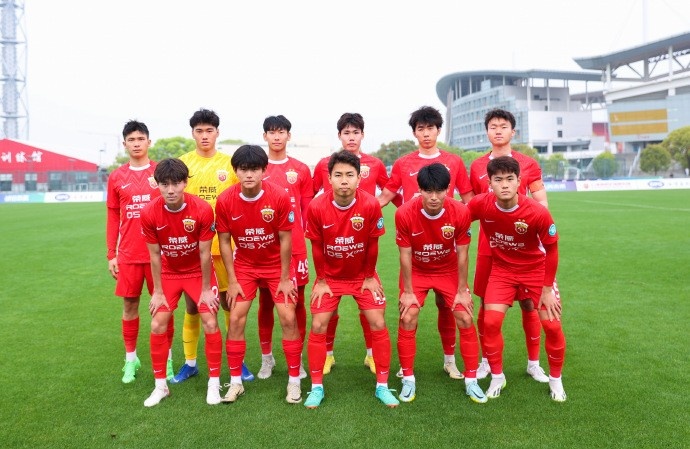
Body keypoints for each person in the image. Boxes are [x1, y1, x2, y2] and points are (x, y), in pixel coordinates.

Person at [378, 105, 473, 380]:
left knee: (449, 307)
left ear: (438, 130)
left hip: (444, 245)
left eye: (431, 128)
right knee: (408, 311)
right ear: (414, 133)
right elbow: (386, 196)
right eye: (421, 129)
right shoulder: (403, 163)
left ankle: (449, 360)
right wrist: (358, 210)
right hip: (415, 244)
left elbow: (468, 199)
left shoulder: (454, 162)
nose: (426, 133)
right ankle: (406, 366)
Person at [303, 150, 399, 409]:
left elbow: (372, 245)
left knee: (378, 321)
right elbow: (317, 248)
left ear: (359, 178)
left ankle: (382, 386)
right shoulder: (317, 207)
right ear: (329, 179)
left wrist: (368, 277)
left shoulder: (370, 204)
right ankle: (316, 387)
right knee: (318, 324)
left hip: (362, 276)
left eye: (349, 175)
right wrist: (321, 280)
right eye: (338, 175)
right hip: (330, 278)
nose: (344, 180)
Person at [467, 156, 566, 402]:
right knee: (490, 322)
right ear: (489, 183)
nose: (504, 185)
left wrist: (547, 289)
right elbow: (456, 218)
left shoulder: (537, 212)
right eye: (498, 180)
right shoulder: (481, 204)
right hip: (503, 271)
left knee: (552, 326)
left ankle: (555, 380)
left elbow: (552, 251)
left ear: (519, 181)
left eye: (510, 179)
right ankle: (497, 377)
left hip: (536, 271)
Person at [311, 113, 398, 376]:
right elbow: (312, 194)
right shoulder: (324, 164)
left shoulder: (375, 163)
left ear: (362, 135)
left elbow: (390, 190)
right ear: (339, 136)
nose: (351, 137)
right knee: (328, 308)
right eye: (346, 133)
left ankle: (372, 355)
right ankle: (327, 355)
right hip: (334, 237)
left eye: (355, 132)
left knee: (369, 306)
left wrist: (375, 207)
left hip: (362, 239)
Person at [215, 145, 303, 404]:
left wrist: (285, 278)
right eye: (243, 169)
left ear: (264, 170)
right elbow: (224, 241)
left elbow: (286, 239)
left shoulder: (279, 196)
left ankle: (294, 381)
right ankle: (235, 383)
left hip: (276, 266)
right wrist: (232, 280)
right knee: (236, 319)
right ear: (236, 171)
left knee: (288, 317)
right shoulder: (225, 200)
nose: (249, 174)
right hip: (245, 266)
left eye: (254, 169)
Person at [469, 108, 550, 383]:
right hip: (488, 246)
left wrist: (536, 233)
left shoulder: (528, 164)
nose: (498, 131)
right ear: (487, 132)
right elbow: (472, 206)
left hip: (523, 247)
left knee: (529, 304)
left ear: (513, 131)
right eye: (493, 126)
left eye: (503, 126)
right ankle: (486, 361)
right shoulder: (477, 166)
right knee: (486, 303)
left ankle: (533, 363)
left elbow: (541, 202)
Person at [395, 163, 487, 404]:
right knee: (408, 316)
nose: (434, 197)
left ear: (448, 189)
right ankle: (408, 378)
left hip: (448, 270)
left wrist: (462, 290)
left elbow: (463, 254)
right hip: (417, 270)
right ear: (420, 190)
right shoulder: (404, 213)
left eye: (439, 191)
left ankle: (470, 380)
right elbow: (405, 255)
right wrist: (407, 291)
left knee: (464, 316)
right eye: (428, 191)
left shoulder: (461, 212)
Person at [174, 108, 254, 383]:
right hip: (192, 250)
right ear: (192, 133)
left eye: (209, 130)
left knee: (230, 306)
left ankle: (237, 361)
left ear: (217, 132)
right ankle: (190, 363)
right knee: (193, 307)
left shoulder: (230, 164)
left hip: (224, 249)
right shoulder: (183, 164)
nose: (204, 135)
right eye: (199, 131)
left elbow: (240, 202)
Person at [140, 158, 223, 407]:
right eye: (164, 184)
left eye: (176, 183)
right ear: (157, 184)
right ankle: (160, 387)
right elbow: (155, 255)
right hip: (169, 273)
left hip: (198, 273)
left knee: (210, 320)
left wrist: (206, 290)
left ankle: (214, 384)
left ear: (185, 182)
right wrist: (157, 292)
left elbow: (205, 253)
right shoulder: (149, 212)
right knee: (157, 323)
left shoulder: (202, 209)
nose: (170, 190)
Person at [106, 120, 173, 383]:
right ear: (124, 144)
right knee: (130, 305)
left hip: (160, 255)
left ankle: (167, 361)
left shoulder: (161, 172)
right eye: (131, 140)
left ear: (148, 142)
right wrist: (111, 254)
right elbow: (113, 216)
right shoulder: (116, 177)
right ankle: (130, 359)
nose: (136, 144)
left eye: (140, 139)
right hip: (129, 255)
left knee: (164, 308)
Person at [256, 115, 312, 380]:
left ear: (289, 136)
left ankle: (296, 359)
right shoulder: (257, 168)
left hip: (296, 247)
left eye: (281, 132)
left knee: (297, 302)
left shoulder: (300, 169)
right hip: (264, 248)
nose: (276, 137)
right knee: (266, 302)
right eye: (271, 132)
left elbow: (306, 210)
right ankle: (266, 358)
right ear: (264, 136)